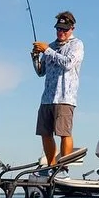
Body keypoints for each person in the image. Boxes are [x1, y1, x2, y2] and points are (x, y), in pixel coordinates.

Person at [32, 11, 84, 167]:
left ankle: (63, 167)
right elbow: (41, 72)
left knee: (64, 133)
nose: (61, 32)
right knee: (45, 133)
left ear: (72, 28)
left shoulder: (76, 45)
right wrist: (35, 57)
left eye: (64, 29)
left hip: (65, 98)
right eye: (59, 29)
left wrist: (47, 50)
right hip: (47, 98)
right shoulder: (51, 46)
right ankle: (51, 165)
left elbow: (68, 63)